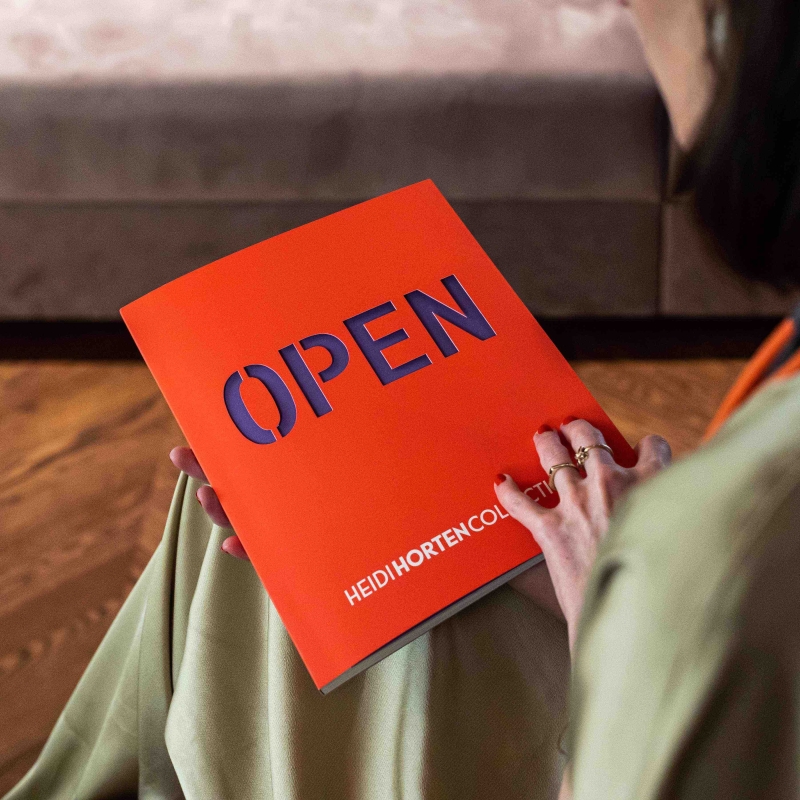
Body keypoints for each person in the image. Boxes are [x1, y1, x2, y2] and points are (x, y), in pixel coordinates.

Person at [6, 0, 800, 797]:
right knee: (283, 520)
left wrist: (626, 608)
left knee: (274, 571)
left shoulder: (733, 532)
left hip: (638, 708)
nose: (631, 12)